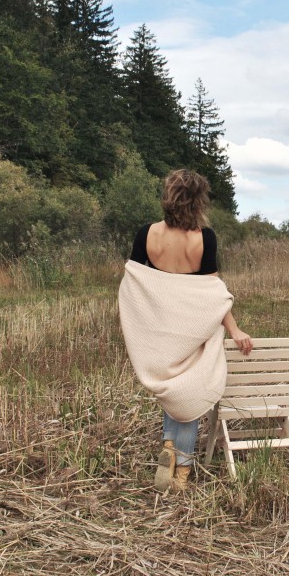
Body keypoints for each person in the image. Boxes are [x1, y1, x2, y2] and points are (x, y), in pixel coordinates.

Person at [117, 169, 252, 493]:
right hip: (193, 330)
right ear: (198, 200)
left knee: (171, 387)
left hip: (161, 331)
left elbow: (133, 283)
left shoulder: (147, 234)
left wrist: (138, 323)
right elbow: (214, 293)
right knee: (190, 393)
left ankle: (169, 444)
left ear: (168, 196)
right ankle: (183, 471)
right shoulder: (204, 238)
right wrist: (234, 329)